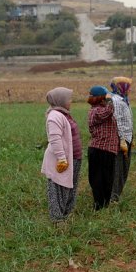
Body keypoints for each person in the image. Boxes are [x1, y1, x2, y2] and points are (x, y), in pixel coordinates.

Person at [41, 87, 83, 223]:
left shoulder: (63, 114)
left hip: (74, 157)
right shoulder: (55, 116)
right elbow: (55, 139)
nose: (71, 101)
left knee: (69, 186)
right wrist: (61, 159)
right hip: (62, 159)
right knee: (58, 187)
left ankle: (66, 214)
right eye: (68, 99)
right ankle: (57, 219)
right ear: (61, 100)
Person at [87, 85, 118, 210]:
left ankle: (104, 205)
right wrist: (111, 99)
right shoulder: (96, 111)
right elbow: (109, 111)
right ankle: (99, 206)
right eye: (105, 98)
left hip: (107, 150)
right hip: (100, 149)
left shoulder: (100, 109)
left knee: (107, 179)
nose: (107, 100)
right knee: (98, 180)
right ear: (100, 99)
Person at [109, 76, 134, 203]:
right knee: (118, 168)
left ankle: (117, 194)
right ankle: (113, 196)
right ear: (121, 87)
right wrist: (122, 139)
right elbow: (117, 120)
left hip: (127, 138)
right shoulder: (116, 101)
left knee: (125, 167)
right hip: (121, 140)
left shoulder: (124, 99)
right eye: (128, 87)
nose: (130, 89)